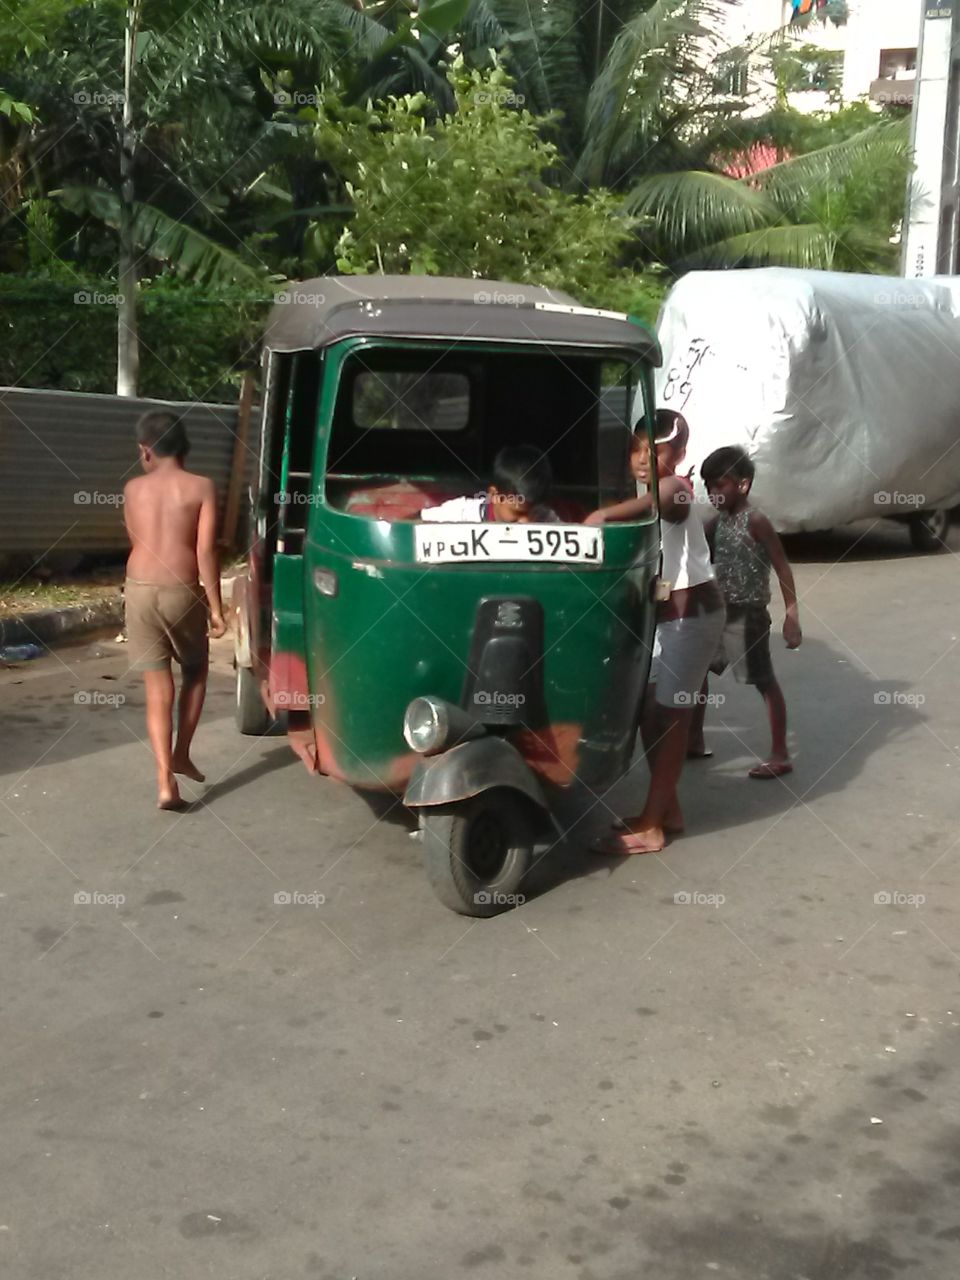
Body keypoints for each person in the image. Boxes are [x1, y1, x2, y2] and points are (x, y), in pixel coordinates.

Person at [584, 410, 725, 854]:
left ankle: (651, 826)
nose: (643, 458)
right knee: (647, 709)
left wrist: (601, 515)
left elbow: (665, 497)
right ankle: (669, 809)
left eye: (656, 451)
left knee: (671, 716)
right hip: (667, 618)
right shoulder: (644, 491)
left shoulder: (678, 490)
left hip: (693, 616)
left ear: (680, 455)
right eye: (637, 448)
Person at [123, 411, 226, 810]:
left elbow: (135, 539)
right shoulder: (202, 486)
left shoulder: (133, 489)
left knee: (156, 689)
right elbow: (204, 550)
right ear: (184, 447)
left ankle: (165, 780)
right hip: (181, 589)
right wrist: (216, 608)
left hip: (139, 588)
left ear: (145, 451)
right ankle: (182, 750)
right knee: (196, 670)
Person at [689, 445, 801, 778]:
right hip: (718, 612)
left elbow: (782, 567)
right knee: (698, 672)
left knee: (763, 680)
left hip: (747, 616)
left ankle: (780, 753)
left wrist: (792, 615)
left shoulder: (757, 521)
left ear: (744, 484)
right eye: (709, 486)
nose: (713, 493)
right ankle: (693, 739)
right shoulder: (717, 522)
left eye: (720, 485)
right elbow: (694, 549)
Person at [421, 444, 560, 523]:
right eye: (517, 513)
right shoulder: (459, 515)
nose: (526, 522)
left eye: (534, 512)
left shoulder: (547, 519)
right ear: (494, 495)